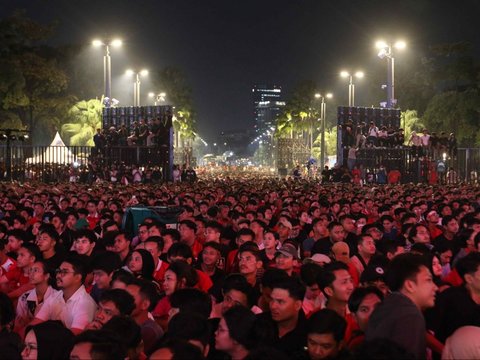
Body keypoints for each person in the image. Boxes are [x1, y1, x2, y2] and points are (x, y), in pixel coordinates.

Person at [366, 253, 438, 359]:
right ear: (410, 285)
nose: (435, 287)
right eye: (428, 280)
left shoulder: (389, 305)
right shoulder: (409, 316)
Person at [30, 254, 97, 334]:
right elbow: (36, 323)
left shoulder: (85, 303)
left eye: (64, 272)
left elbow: (74, 336)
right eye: (58, 271)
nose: (58, 275)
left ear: (77, 278)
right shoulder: (55, 296)